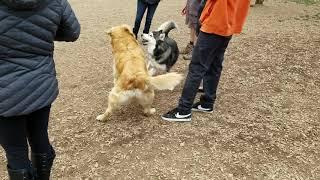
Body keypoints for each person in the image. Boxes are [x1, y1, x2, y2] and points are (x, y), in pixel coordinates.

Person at [0, 0, 80, 179]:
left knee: (15, 152)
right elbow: (72, 32)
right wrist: (43, 32)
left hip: (4, 93)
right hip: (40, 84)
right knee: (39, 135)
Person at [161, 0, 251, 122]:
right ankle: (207, 103)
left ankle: (183, 110)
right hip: (229, 23)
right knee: (215, 64)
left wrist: (201, 20)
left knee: (197, 67)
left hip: (214, 23)